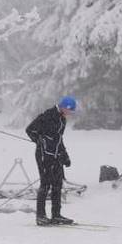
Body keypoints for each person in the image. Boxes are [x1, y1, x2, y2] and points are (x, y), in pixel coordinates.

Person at [26, 96, 77, 226]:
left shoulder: (62, 119)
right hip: (44, 155)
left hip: (56, 156)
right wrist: (39, 141)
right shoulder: (49, 115)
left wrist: (65, 155)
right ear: (64, 107)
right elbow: (30, 129)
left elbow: (59, 139)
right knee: (46, 184)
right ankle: (41, 216)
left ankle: (56, 215)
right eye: (70, 110)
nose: (70, 113)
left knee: (57, 185)